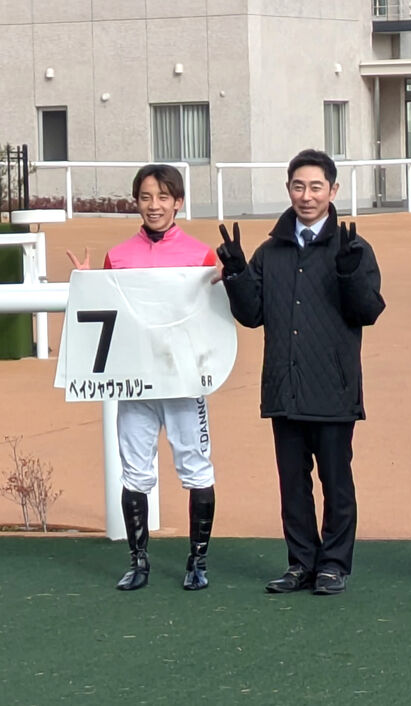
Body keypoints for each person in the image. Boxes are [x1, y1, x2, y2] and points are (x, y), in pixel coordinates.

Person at [217, 149, 385, 596]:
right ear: (288, 189)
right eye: (298, 186)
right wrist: (236, 272)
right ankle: (300, 563)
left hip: (333, 387)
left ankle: (333, 564)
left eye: (315, 187)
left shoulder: (353, 247)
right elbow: (252, 314)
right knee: (293, 485)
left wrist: (350, 274)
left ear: (333, 190)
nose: (306, 196)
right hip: (283, 387)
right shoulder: (270, 251)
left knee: (335, 482)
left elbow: (368, 311)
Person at [65, 164, 218, 592]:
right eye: (147, 197)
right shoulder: (120, 255)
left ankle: (197, 561)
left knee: (196, 468)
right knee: (134, 472)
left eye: (163, 197)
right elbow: (110, 315)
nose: (155, 206)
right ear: (137, 201)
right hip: (135, 381)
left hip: (184, 382)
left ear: (178, 202)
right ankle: (138, 562)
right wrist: (90, 284)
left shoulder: (203, 254)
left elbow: (217, 317)